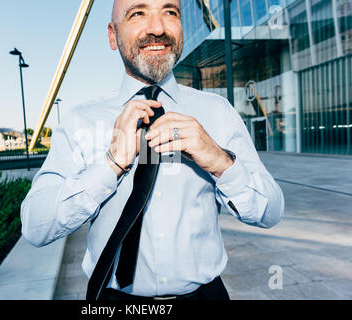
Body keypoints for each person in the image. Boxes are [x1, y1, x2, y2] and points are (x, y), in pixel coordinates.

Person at [21, 0, 284, 301]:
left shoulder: (218, 112)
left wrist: (220, 161)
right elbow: (35, 226)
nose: (157, 28)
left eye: (170, 12)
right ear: (112, 35)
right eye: (138, 13)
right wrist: (110, 166)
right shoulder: (79, 121)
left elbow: (271, 212)